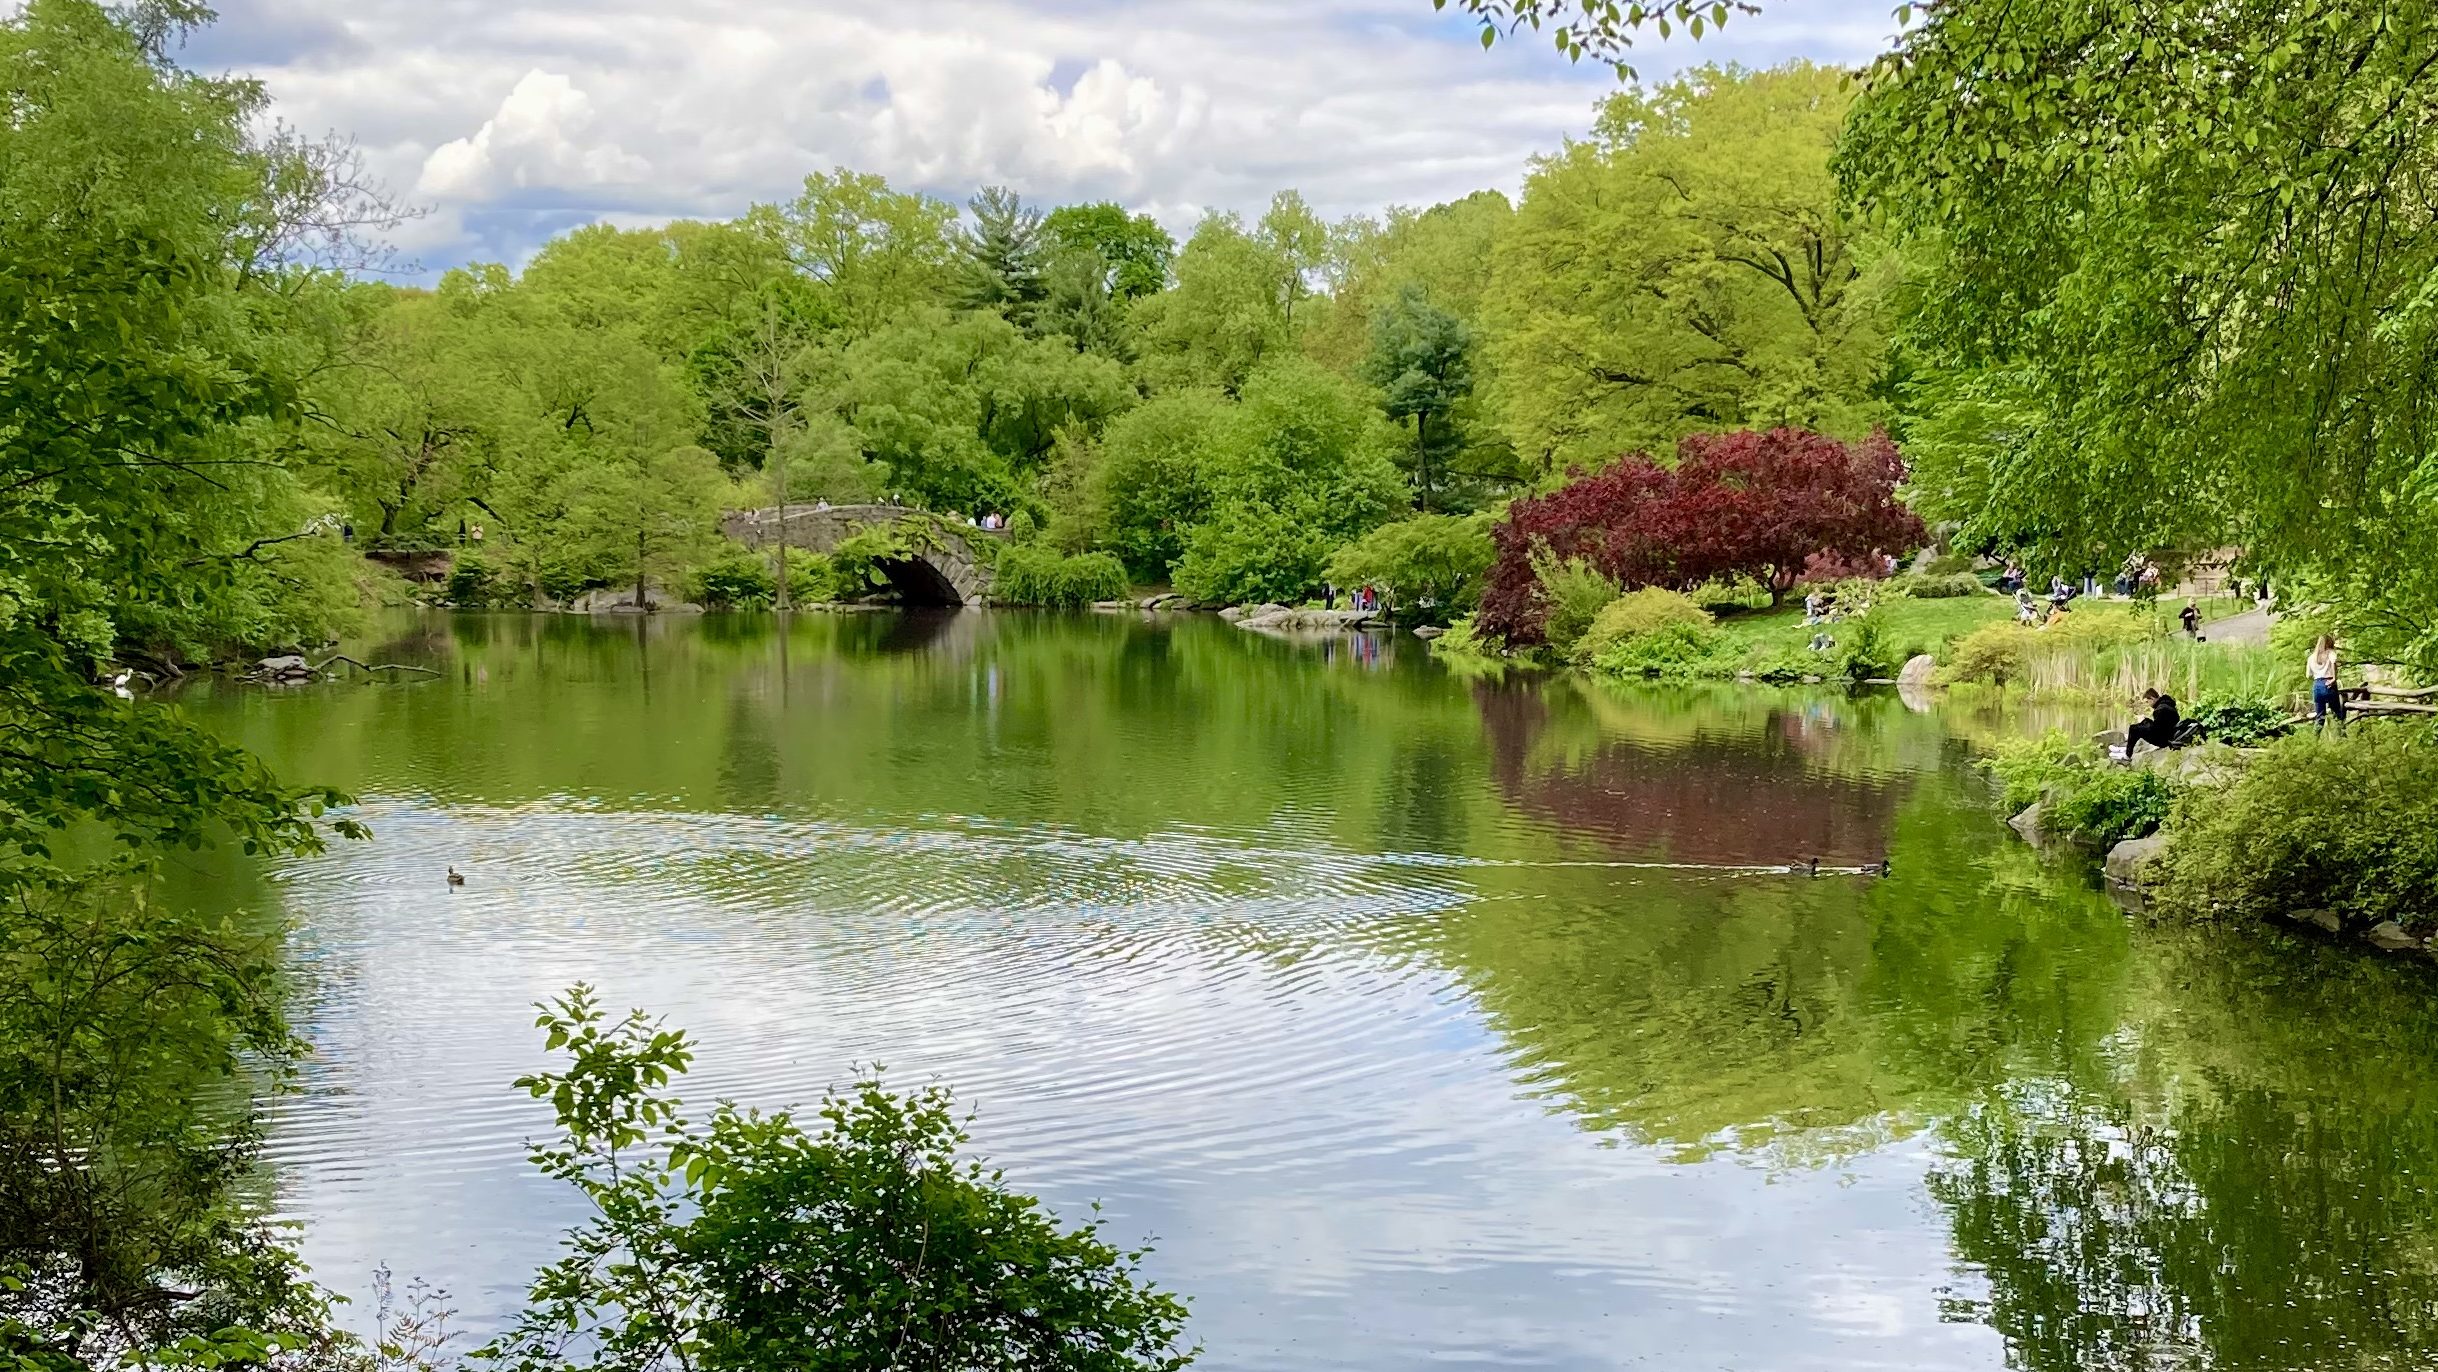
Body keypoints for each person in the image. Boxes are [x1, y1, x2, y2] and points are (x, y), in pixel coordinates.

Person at [2124, 687, 2182, 756]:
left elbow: (2156, 730)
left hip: (2165, 740)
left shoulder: (2160, 709)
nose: (2148, 704)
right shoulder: (2167, 704)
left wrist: (2144, 721)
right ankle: (2127, 748)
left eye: (2148, 702)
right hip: (2170, 735)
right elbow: (2159, 726)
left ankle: (2127, 755)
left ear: (2152, 698)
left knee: (2134, 729)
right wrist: (2145, 721)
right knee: (2142, 724)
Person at [2309, 633, 2346, 731]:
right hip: (2329, 683)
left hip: (2317, 685)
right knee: (2337, 714)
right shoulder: (2330, 653)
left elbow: (2308, 675)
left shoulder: (2312, 657)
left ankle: (2314, 740)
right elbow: (2334, 662)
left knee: (2320, 716)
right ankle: (2343, 738)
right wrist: (2334, 678)